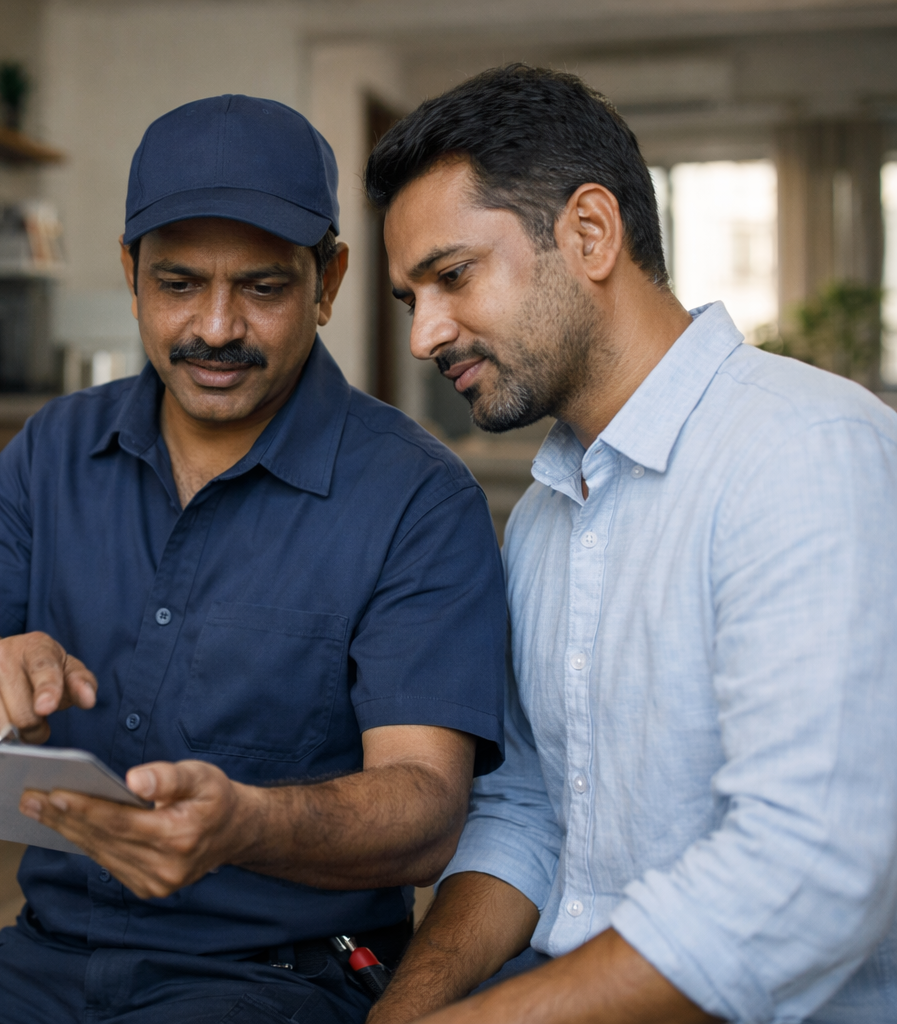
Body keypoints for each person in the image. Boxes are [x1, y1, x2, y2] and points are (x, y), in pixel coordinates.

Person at [0, 94, 509, 1024]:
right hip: (48, 955)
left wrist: (244, 824)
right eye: (176, 284)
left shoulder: (418, 498)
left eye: (262, 286)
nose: (214, 328)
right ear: (130, 275)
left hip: (282, 977)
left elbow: (427, 816)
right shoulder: (53, 451)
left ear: (327, 282)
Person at [363, 64, 897, 1024]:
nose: (426, 335)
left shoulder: (804, 451)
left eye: (452, 276)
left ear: (590, 233)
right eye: (412, 300)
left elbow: (813, 872)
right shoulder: (542, 517)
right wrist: (413, 1006)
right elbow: (526, 815)